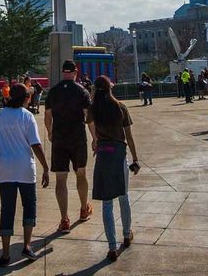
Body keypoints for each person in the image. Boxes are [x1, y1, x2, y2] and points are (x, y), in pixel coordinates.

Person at [0, 82, 49, 265]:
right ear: (26, 98)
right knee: (29, 206)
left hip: (4, 168)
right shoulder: (27, 116)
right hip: (25, 168)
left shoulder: (0, 115)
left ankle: (5, 254)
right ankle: (27, 246)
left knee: (7, 209)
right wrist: (45, 167)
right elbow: (35, 144)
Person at [87, 76, 138, 261]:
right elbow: (129, 136)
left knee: (107, 202)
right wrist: (136, 158)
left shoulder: (93, 109)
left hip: (103, 154)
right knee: (123, 196)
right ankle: (126, 234)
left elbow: (91, 130)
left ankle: (111, 247)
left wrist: (95, 140)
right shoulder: (120, 107)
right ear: (109, 88)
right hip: (119, 154)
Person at [45, 59, 95, 232]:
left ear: (62, 72)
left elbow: (48, 116)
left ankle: (64, 219)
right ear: (75, 72)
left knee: (61, 178)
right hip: (78, 138)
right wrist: (95, 137)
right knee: (81, 173)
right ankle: (83, 208)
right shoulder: (82, 91)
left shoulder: (53, 92)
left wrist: (50, 133)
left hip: (59, 138)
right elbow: (88, 116)